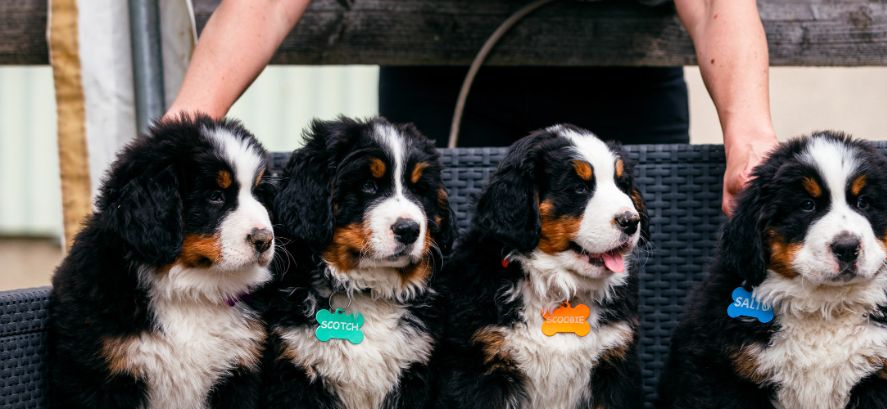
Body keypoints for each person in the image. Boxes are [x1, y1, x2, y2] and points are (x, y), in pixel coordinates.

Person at [165, 0, 775, 215]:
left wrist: (748, 134)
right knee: (439, 310)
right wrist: (191, 116)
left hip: (625, 83)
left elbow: (719, 2)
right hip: (441, 73)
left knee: (632, 309)